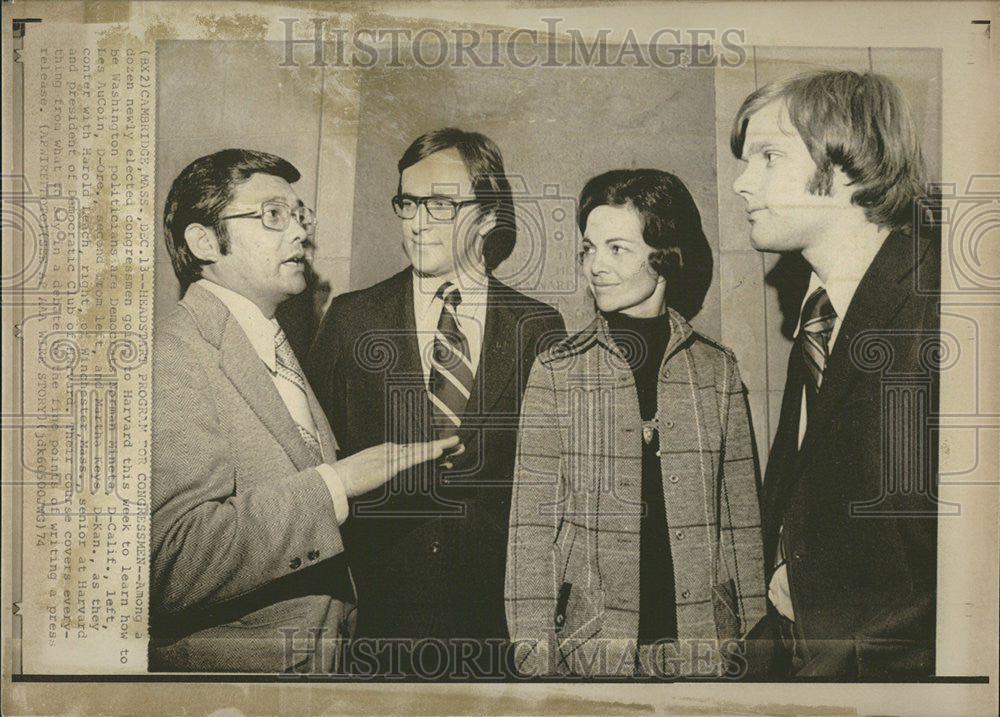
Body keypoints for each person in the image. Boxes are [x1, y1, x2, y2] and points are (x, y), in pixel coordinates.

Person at [150, 149, 457, 672]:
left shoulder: (268, 339)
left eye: (299, 216)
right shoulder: (175, 354)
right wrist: (335, 484)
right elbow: (172, 564)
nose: (298, 233)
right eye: (272, 215)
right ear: (203, 241)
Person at [306, 128, 565, 674]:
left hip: (498, 632)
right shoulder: (352, 320)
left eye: (441, 205)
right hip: (374, 630)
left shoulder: (539, 328)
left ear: (489, 215)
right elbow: (310, 471)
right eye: (408, 202)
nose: (417, 222)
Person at [505, 169, 765, 677]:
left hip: (702, 646)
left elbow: (744, 525)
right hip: (592, 647)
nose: (595, 266)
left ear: (663, 257)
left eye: (617, 249)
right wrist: (534, 660)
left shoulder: (717, 370)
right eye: (588, 249)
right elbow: (529, 532)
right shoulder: (557, 369)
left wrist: (754, 638)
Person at [730, 70, 939, 678]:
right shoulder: (820, 312)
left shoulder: (943, 307)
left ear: (850, 164)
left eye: (769, 157)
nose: (743, 184)